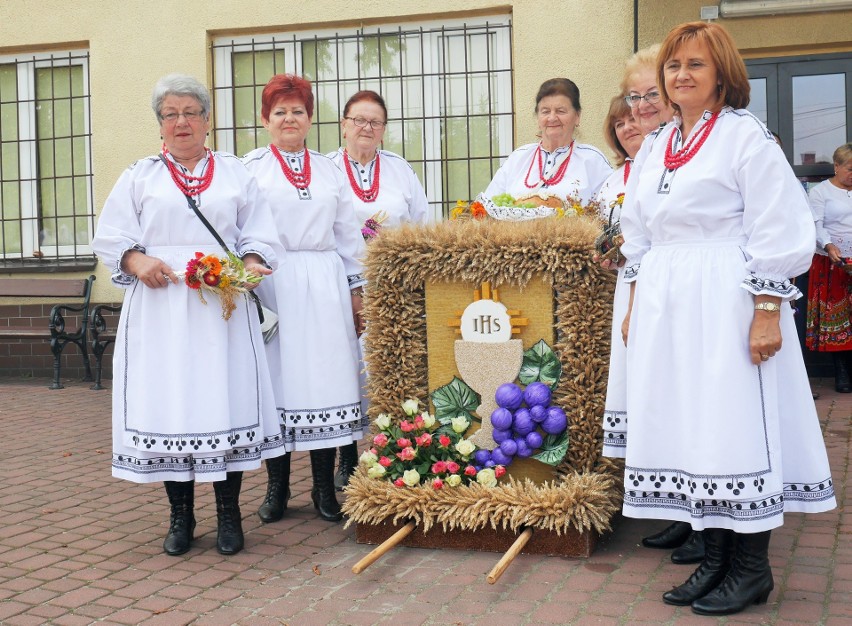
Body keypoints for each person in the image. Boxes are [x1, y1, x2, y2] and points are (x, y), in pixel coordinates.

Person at [619, 22, 836, 616]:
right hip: (669, 299)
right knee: (695, 427)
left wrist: (767, 311)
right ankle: (712, 560)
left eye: (695, 64)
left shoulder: (745, 138)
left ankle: (750, 568)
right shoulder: (661, 142)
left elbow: (781, 226)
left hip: (727, 296)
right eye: (672, 65)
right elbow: (637, 231)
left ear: (722, 74)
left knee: (732, 424)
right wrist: (637, 304)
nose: (681, 75)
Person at [91, 74, 287, 557]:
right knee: (172, 403)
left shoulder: (236, 172)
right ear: (160, 123)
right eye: (170, 114)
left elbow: (258, 232)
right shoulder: (140, 174)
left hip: (222, 306)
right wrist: (137, 261)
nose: (181, 122)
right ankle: (180, 516)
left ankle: (228, 515)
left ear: (207, 119)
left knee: (226, 400)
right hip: (162, 308)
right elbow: (112, 234)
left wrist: (255, 263)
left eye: (190, 113)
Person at [244, 74, 368, 524]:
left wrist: (357, 291)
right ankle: (278, 488)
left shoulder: (331, 168)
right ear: (265, 119)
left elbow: (348, 235)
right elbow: (238, 229)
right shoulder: (250, 167)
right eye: (280, 112)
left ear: (310, 118)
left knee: (325, 380)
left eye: (298, 111)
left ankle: (323, 490)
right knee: (280, 382)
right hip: (275, 283)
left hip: (325, 281)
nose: (289, 119)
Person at [602, 46, 707, 565]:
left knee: (688, 402)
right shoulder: (656, 148)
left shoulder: (703, 141)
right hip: (648, 282)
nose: (641, 106)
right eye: (634, 96)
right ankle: (685, 516)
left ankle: (706, 522)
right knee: (663, 399)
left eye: (650, 95)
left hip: (690, 286)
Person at [327, 90, 429, 490]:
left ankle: (392, 452)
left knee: (389, 369)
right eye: (358, 120)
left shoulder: (401, 170)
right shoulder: (326, 170)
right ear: (344, 124)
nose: (366, 128)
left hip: (393, 289)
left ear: (384, 130)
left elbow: (421, 224)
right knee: (345, 369)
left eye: (375, 122)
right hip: (341, 286)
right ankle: (346, 457)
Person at [484, 78, 611, 205]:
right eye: (545, 111)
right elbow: (488, 206)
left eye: (561, 111)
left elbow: (612, 211)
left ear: (577, 116)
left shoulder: (593, 160)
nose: (552, 118)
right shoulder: (518, 158)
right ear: (538, 118)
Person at [806, 143, 852, 392]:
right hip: (832, 261)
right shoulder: (821, 192)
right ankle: (841, 372)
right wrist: (829, 244)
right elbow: (817, 224)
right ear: (836, 166)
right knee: (839, 319)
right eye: (850, 169)